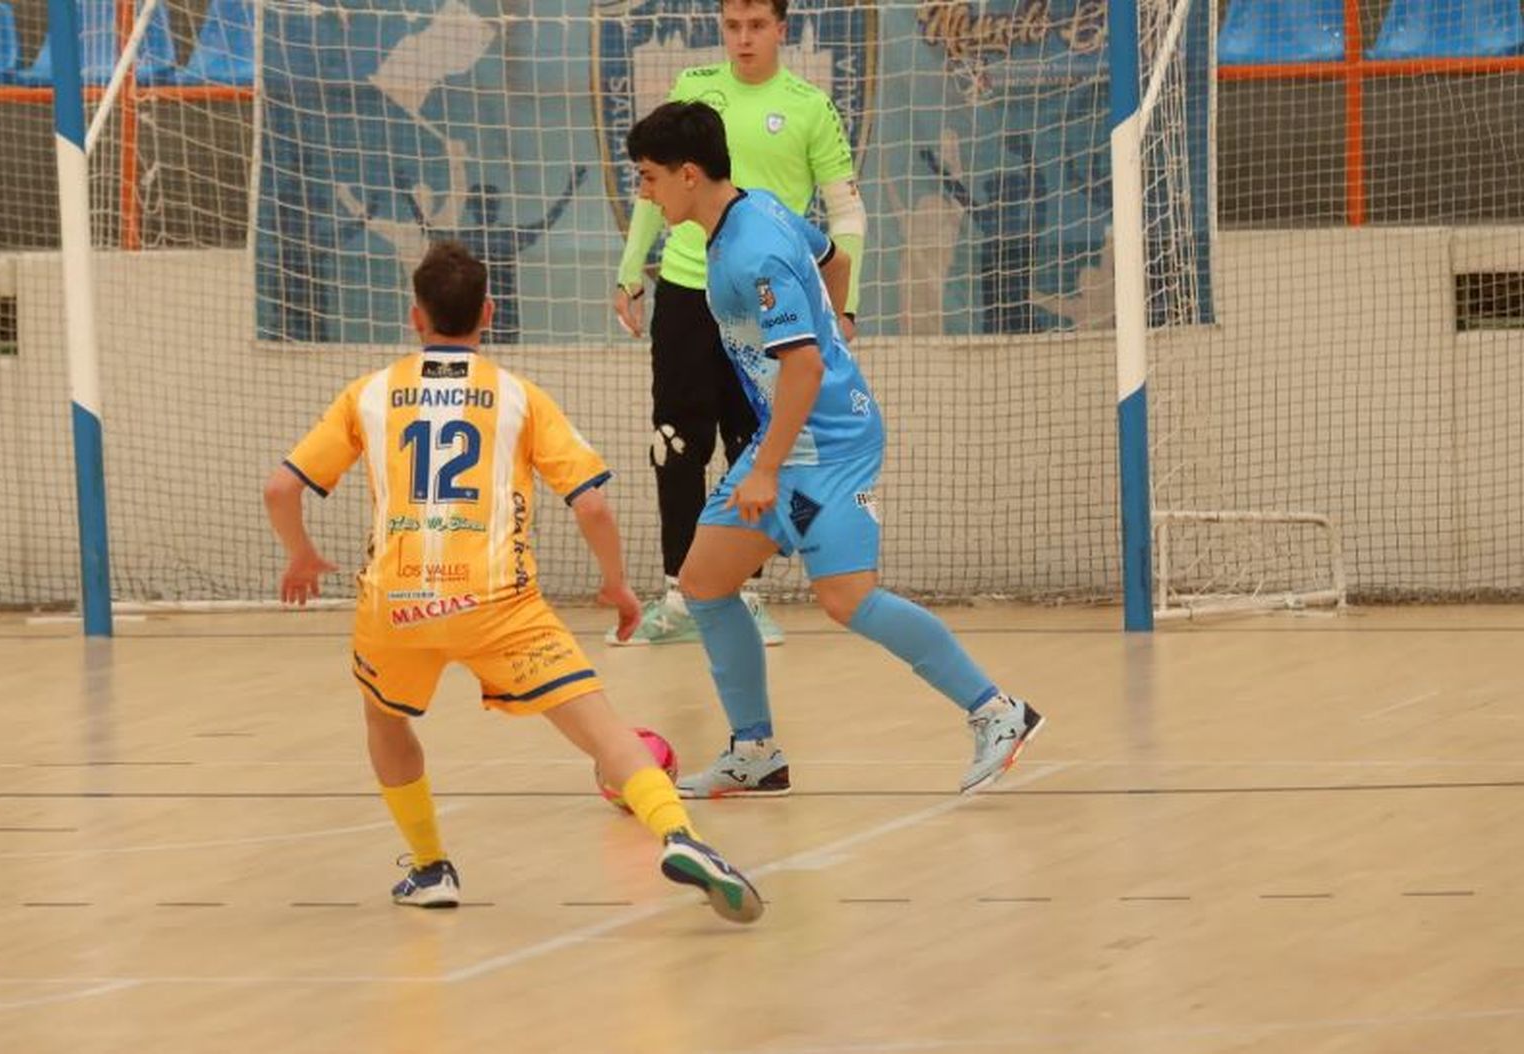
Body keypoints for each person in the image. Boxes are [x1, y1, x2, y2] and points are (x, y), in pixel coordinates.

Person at [262, 240, 762, 922]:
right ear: (489, 313)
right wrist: (617, 586)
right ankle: (681, 835)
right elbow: (591, 503)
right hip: (497, 601)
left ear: (416, 318)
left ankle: (431, 867)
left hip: (395, 601)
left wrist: (301, 556)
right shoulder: (518, 397)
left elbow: (280, 489)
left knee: (385, 719)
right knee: (601, 727)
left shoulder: (370, 394)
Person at [624, 102, 1045, 798]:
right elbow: (834, 259)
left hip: (829, 444)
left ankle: (999, 712)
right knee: (703, 583)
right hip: (786, 435)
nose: (644, 192)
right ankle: (754, 750)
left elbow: (806, 367)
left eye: (647, 178)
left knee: (847, 598)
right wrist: (838, 321)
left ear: (688, 175)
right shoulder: (754, 213)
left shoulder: (753, 249)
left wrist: (764, 465)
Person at [609, 0, 869, 647]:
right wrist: (631, 266)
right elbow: (655, 183)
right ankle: (678, 590)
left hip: (763, 296)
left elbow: (845, 215)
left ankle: (742, 592)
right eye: (732, 26)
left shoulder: (808, 106)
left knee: (750, 436)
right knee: (674, 437)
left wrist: (844, 307)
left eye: (757, 26)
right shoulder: (695, 91)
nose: (744, 38)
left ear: (781, 29)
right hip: (690, 287)